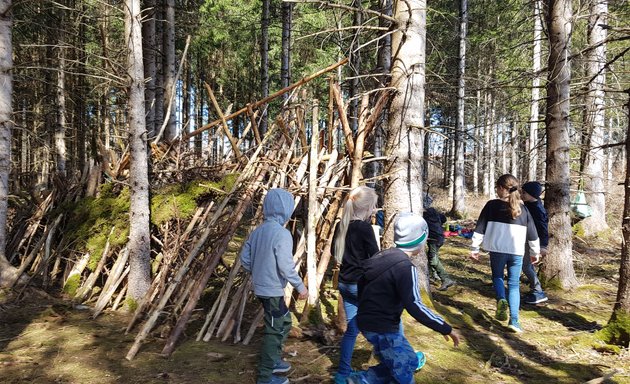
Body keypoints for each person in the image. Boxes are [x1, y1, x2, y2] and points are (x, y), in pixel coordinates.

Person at [347, 213, 461, 384]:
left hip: (368, 323)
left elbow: (362, 285)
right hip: (384, 329)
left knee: (409, 360)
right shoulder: (406, 268)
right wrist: (444, 327)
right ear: (422, 240)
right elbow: (415, 305)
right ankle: (363, 380)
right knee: (404, 372)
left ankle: (362, 379)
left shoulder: (380, 256)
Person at [240, 188, 308, 384]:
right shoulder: (282, 234)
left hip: (261, 288)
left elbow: (245, 259)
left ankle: (274, 361)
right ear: (286, 210)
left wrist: (259, 270)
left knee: (284, 322)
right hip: (271, 291)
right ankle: (265, 377)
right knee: (274, 330)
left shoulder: (258, 232)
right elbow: (286, 266)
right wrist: (300, 287)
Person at [470, 174, 541, 333]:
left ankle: (501, 299)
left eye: (497, 187)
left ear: (502, 188)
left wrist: (474, 248)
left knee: (498, 277)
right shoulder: (524, 209)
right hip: (517, 252)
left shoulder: (491, 205)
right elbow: (533, 233)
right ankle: (514, 321)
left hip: (497, 250)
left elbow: (480, 228)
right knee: (514, 284)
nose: (496, 190)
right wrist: (535, 252)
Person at [333, 186, 380, 384]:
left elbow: (336, 254)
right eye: (375, 206)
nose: (375, 209)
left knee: (352, 330)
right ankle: (398, 360)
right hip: (360, 285)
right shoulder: (364, 228)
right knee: (383, 323)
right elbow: (375, 257)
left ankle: (342, 373)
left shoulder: (341, 225)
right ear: (368, 207)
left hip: (344, 284)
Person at [521, 182, 549, 304]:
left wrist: (543, 245)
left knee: (526, 266)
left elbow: (543, 228)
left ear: (532, 194)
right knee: (528, 265)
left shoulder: (538, 209)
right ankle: (535, 289)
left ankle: (538, 291)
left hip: (535, 242)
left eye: (524, 193)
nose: (522, 194)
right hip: (527, 240)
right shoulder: (528, 204)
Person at [422, 194, 456, 291]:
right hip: (439, 237)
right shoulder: (434, 212)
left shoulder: (424, 215)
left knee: (433, 259)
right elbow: (444, 219)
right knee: (431, 256)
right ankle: (433, 276)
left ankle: (446, 279)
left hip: (434, 239)